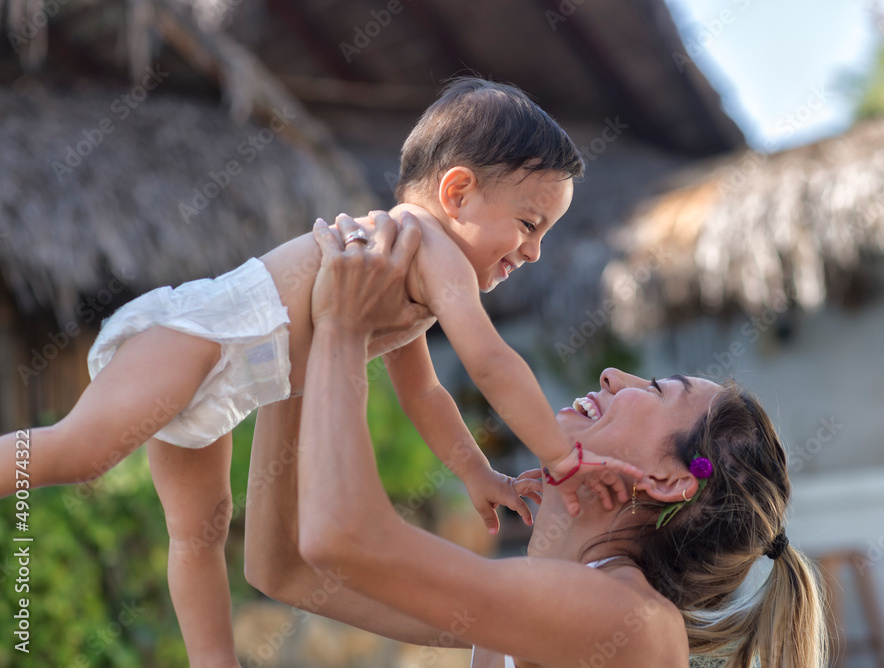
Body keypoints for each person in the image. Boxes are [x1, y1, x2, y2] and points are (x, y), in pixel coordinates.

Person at [0, 78, 639, 667]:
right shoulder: (425, 244)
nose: (533, 251)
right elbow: (491, 361)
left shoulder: (402, 277)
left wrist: (477, 470)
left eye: (545, 236)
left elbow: (424, 390)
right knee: (80, 453)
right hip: (194, 336)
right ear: (457, 192)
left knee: (201, 533)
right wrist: (562, 459)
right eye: (529, 225)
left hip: (226, 391)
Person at [242, 216, 829, 667]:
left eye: (652, 388)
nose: (611, 377)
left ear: (670, 480)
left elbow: (341, 538)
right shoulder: (532, 603)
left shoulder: (631, 619)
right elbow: (284, 568)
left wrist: (342, 329)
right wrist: (299, 342)